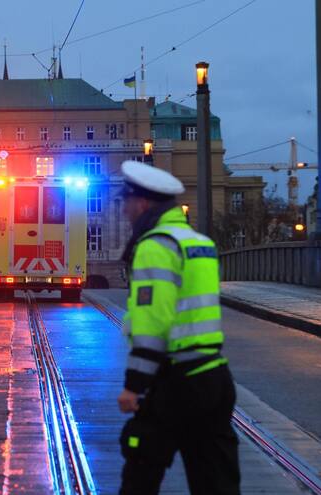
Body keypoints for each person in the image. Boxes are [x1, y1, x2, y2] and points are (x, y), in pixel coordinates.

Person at [116, 160, 240, 494]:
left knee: (140, 475)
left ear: (142, 203)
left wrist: (134, 386)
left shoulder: (156, 246)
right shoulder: (198, 242)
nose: (124, 211)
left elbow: (152, 322)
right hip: (214, 375)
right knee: (216, 480)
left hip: (176, 382)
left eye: (125, 203)